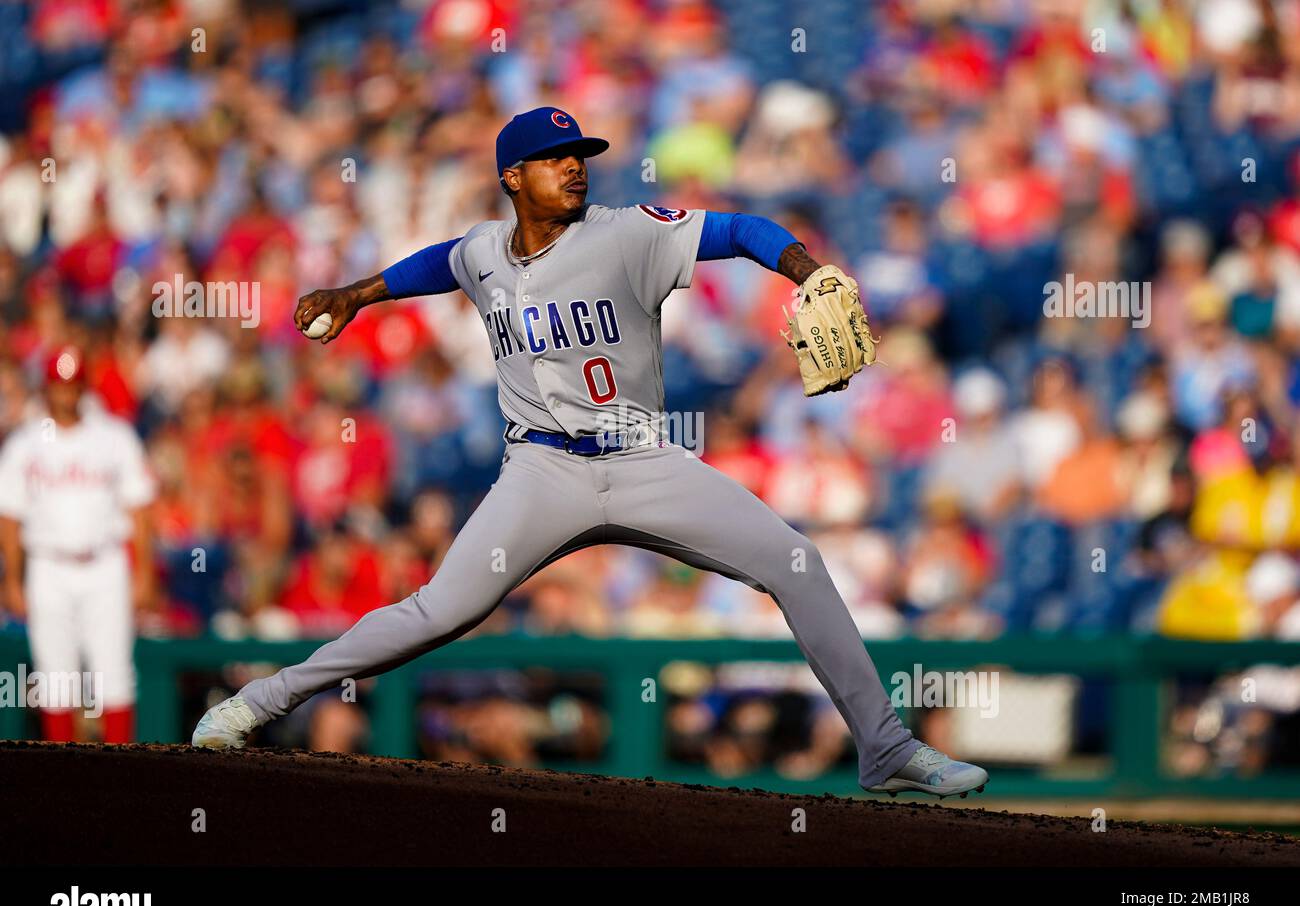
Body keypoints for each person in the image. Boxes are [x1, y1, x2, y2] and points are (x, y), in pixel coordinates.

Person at [192, 107, 988, 798]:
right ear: (513, 177)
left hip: (643, 459)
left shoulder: (627, 235)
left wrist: (805, 270)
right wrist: (356, 295)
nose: (575, 168)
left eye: (581, 156)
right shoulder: (485, 252)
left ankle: (885, 746)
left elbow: (741, 229)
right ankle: (262, 702)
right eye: (554, 158)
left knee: (796, 561)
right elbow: (443, 262)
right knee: (439, 612)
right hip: (542, 470)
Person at [0, 345, 157, 742]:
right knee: (55, 677)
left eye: (71, 385)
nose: (65, 394)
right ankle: (62, 783)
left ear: (83, 386)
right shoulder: (26, 442)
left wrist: (144, 572)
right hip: (47, 565)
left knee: (115, 676)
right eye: (58, 385)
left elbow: (140, 511)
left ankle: (122, 776)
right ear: (47, 387)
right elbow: (10, 517)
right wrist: (14, 579)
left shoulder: (113, 436)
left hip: (105, 564)